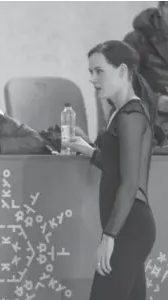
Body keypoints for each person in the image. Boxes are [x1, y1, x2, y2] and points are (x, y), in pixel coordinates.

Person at [64, 40, 156, 300]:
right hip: (129, 225)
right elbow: (116, 166)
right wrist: (89, 151)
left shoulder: (131, 116)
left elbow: (129, 183)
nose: (92, 79)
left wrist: (109, 236)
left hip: (129, 226)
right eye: (90, 72)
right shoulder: (122, 113)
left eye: (99, 71)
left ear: (123, 71)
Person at [124, 1, 168, 143]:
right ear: (161, 9)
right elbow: (121, 88)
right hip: (150, 117)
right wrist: (156, 101)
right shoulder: (136, 41)